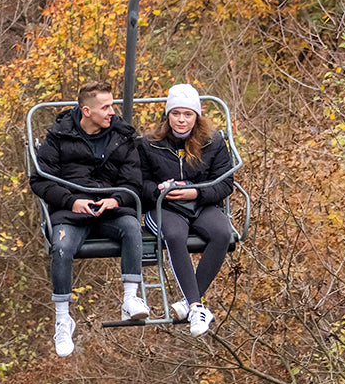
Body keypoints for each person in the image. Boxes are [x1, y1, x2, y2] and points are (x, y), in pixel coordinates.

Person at [29, 81, 150, 357]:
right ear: (86, 111)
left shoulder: (121, 136)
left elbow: (134, 180)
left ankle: (130, 298)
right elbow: (40, 180)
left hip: (111, 209)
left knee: (132, 227)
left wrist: (116, 199)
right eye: (105, 107)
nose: (112, 112)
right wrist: (71, 201)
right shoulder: (59, 137)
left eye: (112, 106)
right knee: (61, 246)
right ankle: (63, 319)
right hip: (72, 210)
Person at [138, 83, 235, 337]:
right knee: (175, 235)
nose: (181, 120)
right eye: (176, 113)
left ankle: (191, 302)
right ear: (168, 115)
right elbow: (139, 183)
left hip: (200, 204)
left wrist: (197, 193)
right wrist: (159, 191)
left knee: (223, 233)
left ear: (197, 115)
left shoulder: (213, 142)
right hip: (165, 207)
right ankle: (195, 307)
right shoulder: (149, 145)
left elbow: (225, 183)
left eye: (187, 114)